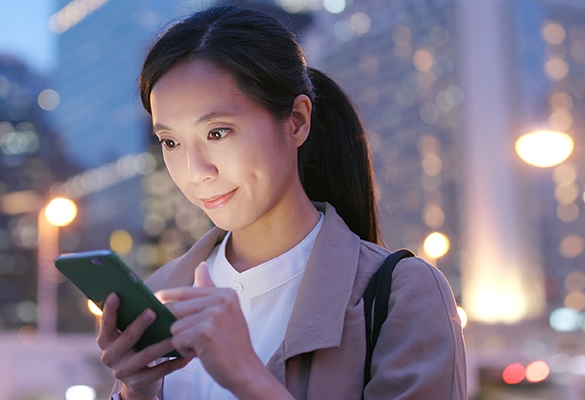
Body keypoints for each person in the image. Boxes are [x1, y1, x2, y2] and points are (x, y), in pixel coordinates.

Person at [96, 5, 467, 399]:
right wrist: (134, 392)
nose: (196, 171)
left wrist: (247, 377)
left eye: (218, 133)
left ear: (296, 121)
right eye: (171, 142)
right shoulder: (159, 295)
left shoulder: (402, 294)